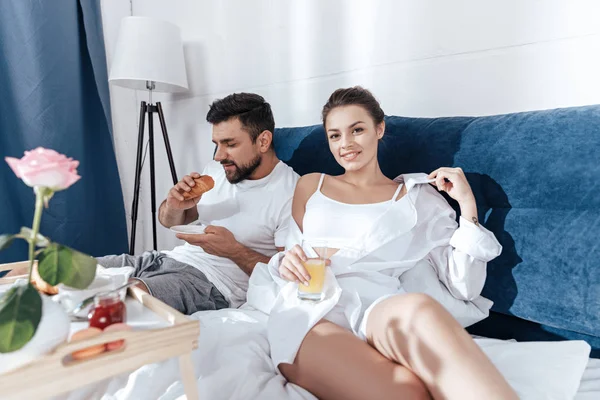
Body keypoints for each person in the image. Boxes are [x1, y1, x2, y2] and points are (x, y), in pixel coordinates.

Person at [246, 87, 517, 399]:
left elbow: (463, 287)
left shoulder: (417, 197)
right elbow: (289, 252)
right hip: (310, 307)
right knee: (407, 391)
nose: (345, 144)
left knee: (421, 308)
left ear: (379, 128)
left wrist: (467, 206)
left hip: (377, 304)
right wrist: (286, 261)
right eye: (334, 135)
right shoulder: (312, 185)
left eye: (357, 130)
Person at [96, 93, 299, 314]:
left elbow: (286, 276)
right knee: (68, 271)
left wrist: (234, 251)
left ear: (263, 141)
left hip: (209, 285)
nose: (219, 156)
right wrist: (174, 205)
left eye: (229, 144)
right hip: (164, 259)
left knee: (120, 299)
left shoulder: (292, 193)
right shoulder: (218, 170)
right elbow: (168, 221)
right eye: (217, 144)